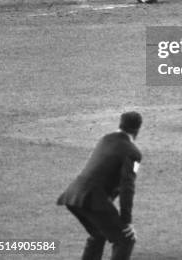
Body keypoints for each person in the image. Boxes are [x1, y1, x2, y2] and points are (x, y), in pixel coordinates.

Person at [57, 111, 142, 260]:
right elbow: (127, 187)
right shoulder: (133, 153)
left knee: (98, 233)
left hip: (73, 195)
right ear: (137, 129)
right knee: (126, 239)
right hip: (93, 198)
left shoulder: (105, 139)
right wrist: (126, 221)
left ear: (120, 124)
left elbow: (102, 172)